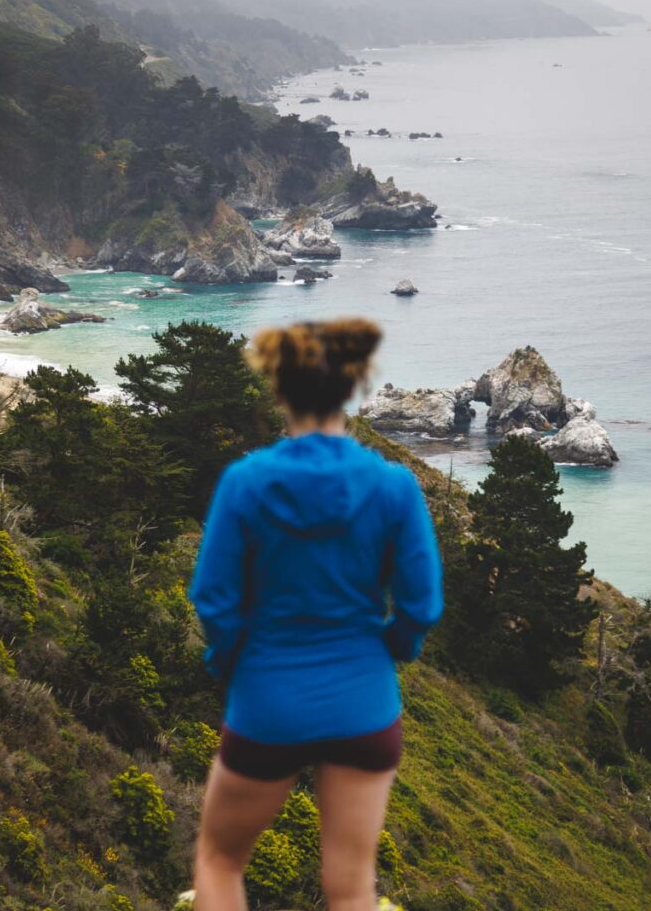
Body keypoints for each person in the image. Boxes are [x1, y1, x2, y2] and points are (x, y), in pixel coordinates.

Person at [187, 318, 443, 911]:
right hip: (364, 703)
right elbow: (422, 603)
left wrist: (231, 664)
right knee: (352, 884)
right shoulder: (393, 487)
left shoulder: (245, 483)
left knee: (220, 861)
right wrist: (395, 648)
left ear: (279, 392)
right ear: (352, 391)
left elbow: (215, 599)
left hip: (267, 701)